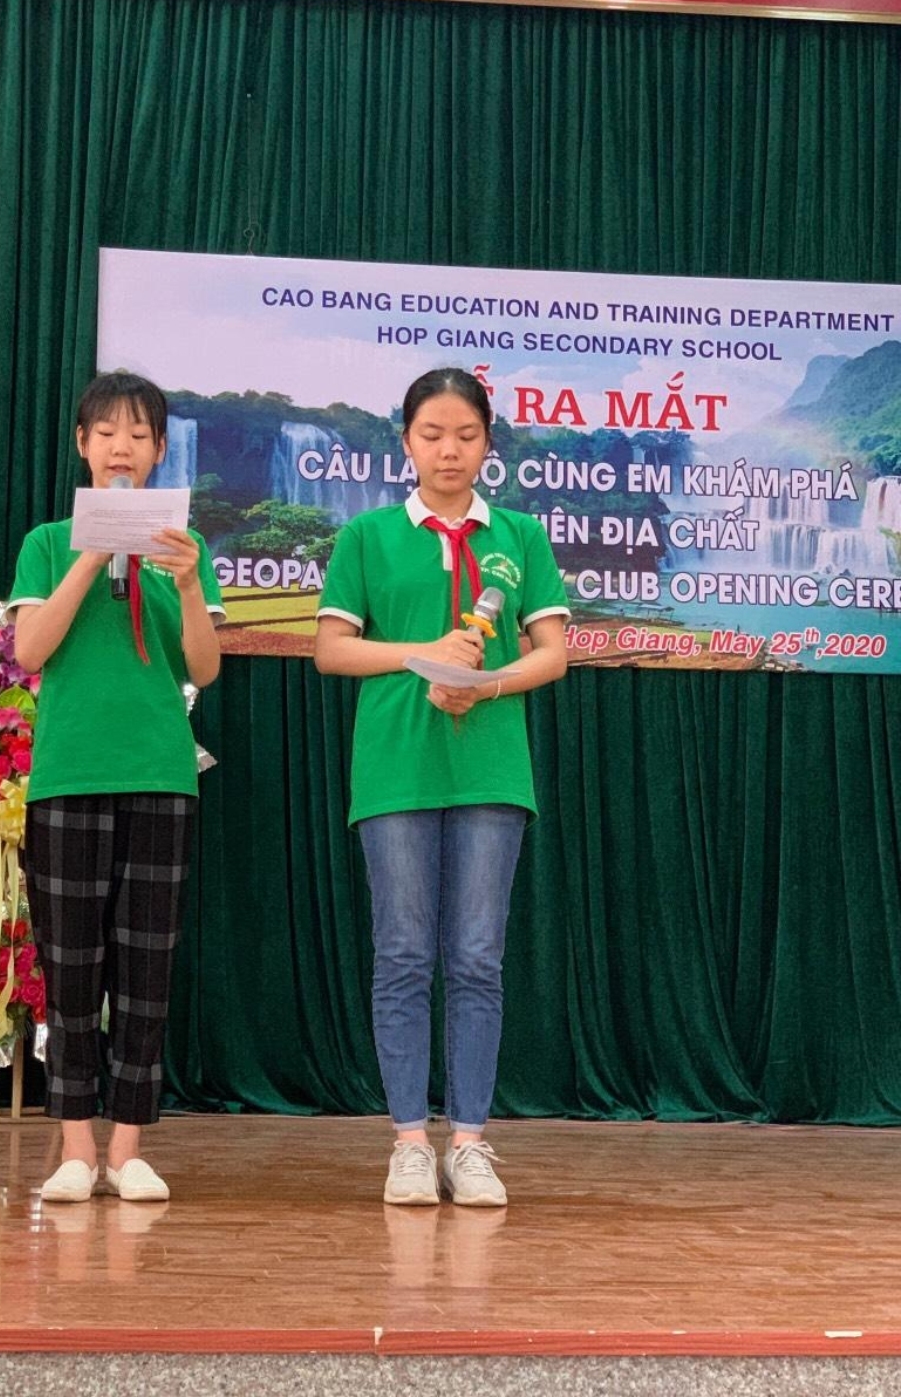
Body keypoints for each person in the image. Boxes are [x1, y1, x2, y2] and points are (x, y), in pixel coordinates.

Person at [315, 367, 568, 1208]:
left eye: (464, 435)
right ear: (406, 443)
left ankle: (468, 1140)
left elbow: (551, 653)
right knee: (401, 954)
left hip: (491, 766)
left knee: (476, 958)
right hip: (394, 768)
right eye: (432, 434)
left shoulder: (521, 537)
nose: (448, 450)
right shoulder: (368, 537)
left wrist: (486, 683)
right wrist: (423, 655)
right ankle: (407, 1143)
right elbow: (332, 651)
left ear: (487, 443)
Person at [9, 371, 223, 1203]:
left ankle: (129, 1148)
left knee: (145, 966)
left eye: (138, 433)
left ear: (161, 450)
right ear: (82, 445)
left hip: (161, 775)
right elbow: (30, 651)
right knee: (70, 966)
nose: (122, 446)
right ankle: (71, 1148)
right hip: (68, 774)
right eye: (106, 432)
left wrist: (191, 583)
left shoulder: (180, 547)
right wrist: (92, 552)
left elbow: (201, 667)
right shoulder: (46, 540)